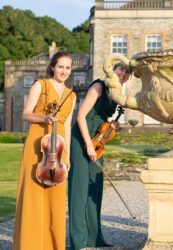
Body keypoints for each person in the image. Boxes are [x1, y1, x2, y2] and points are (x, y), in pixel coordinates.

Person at [13, 51, 76, 250]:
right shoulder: (40, 85)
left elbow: (66, 127)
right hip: (37, 146)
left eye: (67, 67)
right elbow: (26, 114)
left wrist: (66, 156)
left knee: (55, 198)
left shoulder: (71, 96)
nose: (64, 71)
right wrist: (45, 119)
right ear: (52, 67)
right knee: (34, 195)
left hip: (57, 152)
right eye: (60, 67)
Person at [68, 63, 131, 249]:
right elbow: (80, 116)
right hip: (81, 139)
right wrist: (88, 145)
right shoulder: (98, 86)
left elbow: (103, 123)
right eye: (122, 70)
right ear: (113, 70)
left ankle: (94, 238)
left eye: (128, 73)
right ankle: (78, 242)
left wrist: (113, 127)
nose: (124, 74)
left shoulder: (115, 95)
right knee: (79, 191)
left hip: (97, 143)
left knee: (95, 188)